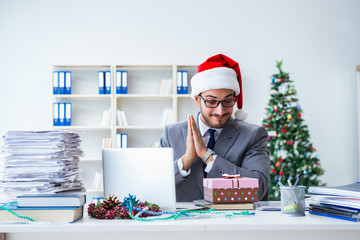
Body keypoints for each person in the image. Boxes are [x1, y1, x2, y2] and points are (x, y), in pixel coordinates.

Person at [160, 54, 270, 202]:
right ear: (198, 100)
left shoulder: (253, 135)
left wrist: (208, 156)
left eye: (228, 101)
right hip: (184, 222)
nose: (220, 111)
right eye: (211, 101)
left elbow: (259, 188)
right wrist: (185, 161)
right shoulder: (171, 134)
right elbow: (157, 184)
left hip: (234, 222)